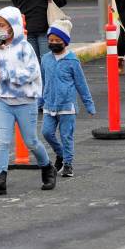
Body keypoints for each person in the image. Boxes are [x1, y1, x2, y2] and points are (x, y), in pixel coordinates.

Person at [0, 6, 57, 196]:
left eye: (3, 25)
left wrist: (6, 74)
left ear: (13, 26)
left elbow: (31, 73)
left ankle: (47, 167)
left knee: (31, 141)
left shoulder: (25, 48)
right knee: (2, 142)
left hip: (26, 101)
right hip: (4, 101)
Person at [40, 19, 95, 178]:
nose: (54, 43)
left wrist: (88, 104)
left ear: (65, 41)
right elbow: (43, 81)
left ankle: (68, 164)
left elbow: (81, 84)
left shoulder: (72, 61)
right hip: (49, 105)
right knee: (46, 133)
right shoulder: (45, 59)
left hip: (67, 107)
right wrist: (40, 99)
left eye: (57, 40)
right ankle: (61, 154)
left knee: (66, 136)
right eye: (51, 40)